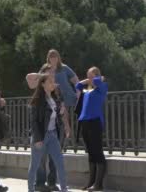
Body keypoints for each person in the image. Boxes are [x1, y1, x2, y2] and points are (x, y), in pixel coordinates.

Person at [27, 50, 79, 191]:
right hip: (40, 136)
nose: (53, 77)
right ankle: (33, 187)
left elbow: (62, 111)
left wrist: (67, 125)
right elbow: (35, 121)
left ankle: (63, 189)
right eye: (51, 76)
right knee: (36, 164)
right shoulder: (38, 98)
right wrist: (44, 75)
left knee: (60, 163)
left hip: (52, 135)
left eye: (54, 75)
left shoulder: (57, 92)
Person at [76, 67, 108, 191]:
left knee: (97, 151)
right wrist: (87, 80)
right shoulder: (87, 89)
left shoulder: (102, 87)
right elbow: (78, 86)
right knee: (90, 152)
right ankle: (91, 182)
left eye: (91, 76)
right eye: (87, 75)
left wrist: (97, 78)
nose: (89, 78)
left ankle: (98, 184)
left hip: (95, 121)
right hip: (84, 121)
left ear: (97, 76)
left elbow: (99, 82)